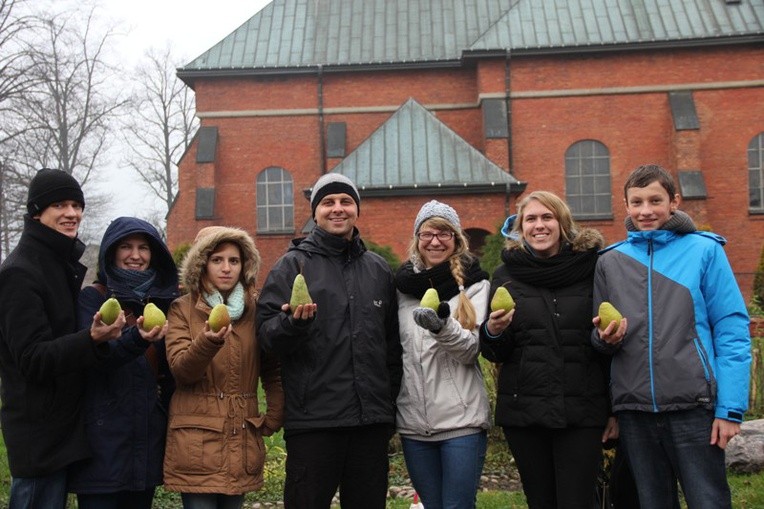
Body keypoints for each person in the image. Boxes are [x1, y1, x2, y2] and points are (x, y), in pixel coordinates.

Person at [591, 164, 751, 509]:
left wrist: (730, 409)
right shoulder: (610, 261)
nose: (646, 211)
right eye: (637, 202)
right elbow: (599, 344)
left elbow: (732, 330)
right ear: (626, 205)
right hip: (634, 411)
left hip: (694, 408)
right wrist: (606, 339)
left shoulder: (705, 250)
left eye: (655, 200)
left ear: (674, 201)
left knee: (708, 501)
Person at [256, 173, 402, 509]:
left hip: (370, 423)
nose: (337, 209)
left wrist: (387, 406)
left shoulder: (378, 269)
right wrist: (292, 324)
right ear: (315, 212)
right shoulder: (292, 265)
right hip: (315, 422)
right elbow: (265, 336)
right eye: (328, 203)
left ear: (357, 210)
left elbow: (392, 349)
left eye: (345, 201)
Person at [479, 190, 614, 509]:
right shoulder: (506, 275)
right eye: (531, 219)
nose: (539, 225)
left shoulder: (593, 268)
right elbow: (494, 352)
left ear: (563, 224)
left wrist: (614, 409)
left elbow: (606, 347)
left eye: (547, 217)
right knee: (541, 502)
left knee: (576, 501)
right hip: (525, 413)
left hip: (582, 412)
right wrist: (494, 332)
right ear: (520, 228)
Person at [0, 168, 125, 509]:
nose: (72, 214)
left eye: (76, 205)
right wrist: (91, 339)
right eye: (60, 205)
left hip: (58, 431)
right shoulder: (19, 273)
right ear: (37, 211)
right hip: (38, 436)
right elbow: (32, 358)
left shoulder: (55, 263)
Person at [163, 226, 284, 509]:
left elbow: (272, 368)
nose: (226, 268)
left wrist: (276, 413)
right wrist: (207, 342)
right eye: (217, 260)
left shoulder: (256, 310)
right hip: (196, 444)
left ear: (245, 266)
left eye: (234, 260)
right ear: (201, 264)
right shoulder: (182, 309)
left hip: (240, 439)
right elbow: (181, 371)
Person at [68, 217, 180, 508]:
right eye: (126, 247)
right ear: (111, 252)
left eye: (144, 247)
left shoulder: (164, 303)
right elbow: (94, 358)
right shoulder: (92, 300)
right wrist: (138, 339)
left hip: (145, 443)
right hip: (101, 445)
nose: (135, 255)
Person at [394, 200, 492, 509]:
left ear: (457, 239)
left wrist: (442, 326)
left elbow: (470, 350)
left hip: (461, 422)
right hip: (414, 424)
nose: (435, 241)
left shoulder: (475, 285)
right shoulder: (401, 287)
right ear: (417, 238)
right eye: (428, 233)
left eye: (444, 233)